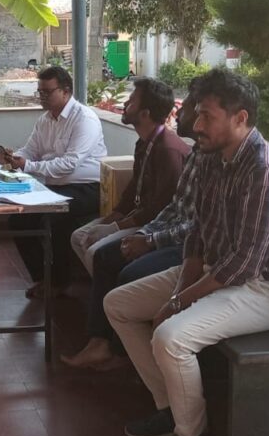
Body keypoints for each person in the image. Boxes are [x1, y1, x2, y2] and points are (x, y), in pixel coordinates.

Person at [104, 69, 269, 436]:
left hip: (267, 288)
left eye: (207, 117)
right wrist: (180, 287)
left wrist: (178, 303)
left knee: (170, 336)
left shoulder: (266, 168)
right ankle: (170, 409)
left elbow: (246, 261)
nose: (196, 126)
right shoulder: (214, 158)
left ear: (241, 118)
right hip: (219, 272)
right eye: (196, 115)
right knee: (120, 304)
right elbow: (198, 233)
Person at [61, 89, 203, 370]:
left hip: (181, 243)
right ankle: (101, 326)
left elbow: (176, 215)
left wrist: (139, 234)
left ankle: (109, 344)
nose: (181, 112)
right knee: (86, 240)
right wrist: (119, 221)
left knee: (112, 260)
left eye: (186, 107)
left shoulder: (171, 149)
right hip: (160, 228)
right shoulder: (155, 145)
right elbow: (167, 206)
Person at [0, 65, 108, 299]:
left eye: (48, 92)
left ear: (66, 91)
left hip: (89, 187)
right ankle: (41, 277)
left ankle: (59, 282)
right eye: (40, 92)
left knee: (57, 217)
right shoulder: (45, 120)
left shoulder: (84, 119)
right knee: (18, 219)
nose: (42, 97)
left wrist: (28, 166)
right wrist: (14, 157)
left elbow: (70, 164)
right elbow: (32, 150)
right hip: (54, 186)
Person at [70, 78, 188, 276]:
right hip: (135, 216)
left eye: (131, 101)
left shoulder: (168, 150)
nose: (124, 104)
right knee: (79, 236)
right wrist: (109, 221)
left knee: (95, 251)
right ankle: (104, 284)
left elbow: (160, 208)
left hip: (153, 225)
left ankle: (107, 294)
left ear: (145, 113)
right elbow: (133, 189)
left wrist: (114, 227)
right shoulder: (144, 142)